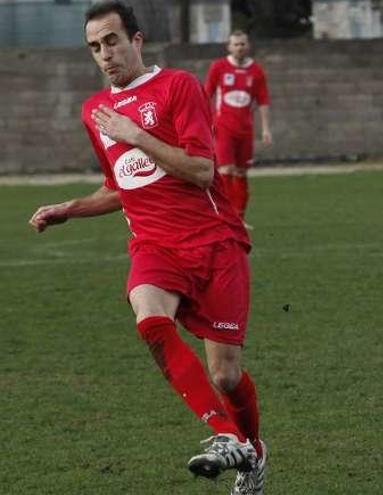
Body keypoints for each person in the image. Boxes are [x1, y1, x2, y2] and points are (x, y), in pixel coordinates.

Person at [28, 3, 266, 493]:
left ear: (136, 40)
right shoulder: (94, 113)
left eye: (112, 41)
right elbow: (121, 186)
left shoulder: (178, 86)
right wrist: (69, 207)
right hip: (154, 245)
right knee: (148, 317)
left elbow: (202, 170)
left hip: (213, 242)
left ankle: (252, 452)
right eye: (95, 47)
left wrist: (136, 134)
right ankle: (223, 432)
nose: (105, 54)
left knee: (225, 376)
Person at [205, 30, 272, 224]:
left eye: (242, 44)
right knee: (226, 170)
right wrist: (204, 122)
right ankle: (224, 217)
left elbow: (263, 101)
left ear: (247, 46)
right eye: (236, 44)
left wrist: (266, 128)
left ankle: (239, 218)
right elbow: (206, 95)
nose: (239, 47)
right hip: (223, 127)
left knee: (241, 173)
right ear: (229, 47)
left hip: (245, 130)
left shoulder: (256, 71)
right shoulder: (219, 67)